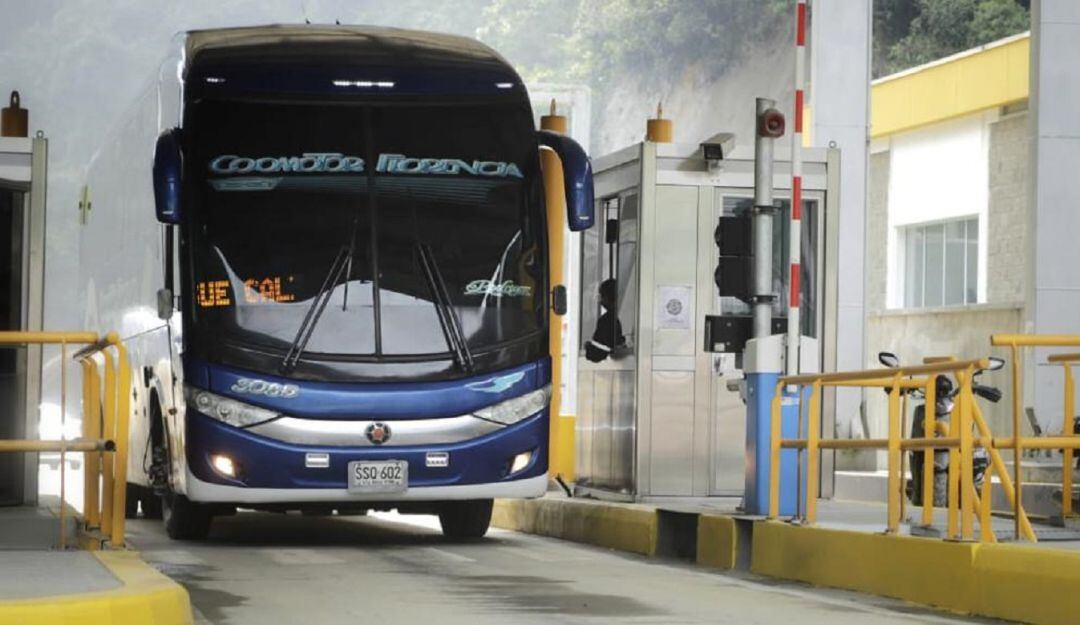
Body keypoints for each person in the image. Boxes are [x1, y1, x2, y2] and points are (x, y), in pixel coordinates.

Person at [585, 278, 625, 362]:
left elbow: (595, 355)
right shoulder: (623, 315)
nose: (600, 301)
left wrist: (587, 346)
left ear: (606, 298)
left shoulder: (607, 320)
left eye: (601, 296)